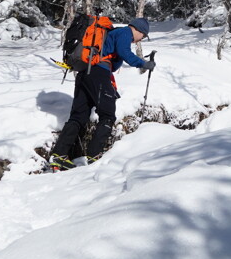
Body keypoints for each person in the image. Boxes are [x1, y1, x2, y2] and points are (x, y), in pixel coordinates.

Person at [48, 17, 155, 171]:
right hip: (98, 73)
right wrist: (142, 63)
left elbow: (116, 56)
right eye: (143, 36)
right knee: (108, 114)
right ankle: (94, 155)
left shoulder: (114, 34)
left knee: (79, 116)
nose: (141, 39)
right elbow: (124, 52)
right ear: (138, 30)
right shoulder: (125, 32)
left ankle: (59, 155)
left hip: (85, 72)